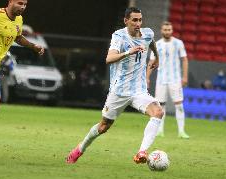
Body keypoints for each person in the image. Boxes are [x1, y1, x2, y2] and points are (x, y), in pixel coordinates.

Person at [66, 7, 163, 164]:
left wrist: (156, 57)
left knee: (158, 112)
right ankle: (79, 149)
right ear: (126, 21)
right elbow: (109, 58)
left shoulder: (148, 33)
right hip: (119, 91)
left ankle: (141, 152)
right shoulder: (119, 36)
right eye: (134, 20)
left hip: (139, 90)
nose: (138, 23)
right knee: (103, 126)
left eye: (140, 20)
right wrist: (128, 53)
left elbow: (151, 42)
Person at [0, 0, 44, 156]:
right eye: (19, 3)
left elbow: (17, 37)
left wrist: (32, 46)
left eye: (25, 4)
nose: (22, 7)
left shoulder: (18, 20)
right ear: (10, 2)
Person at [146, 21, 189, 138]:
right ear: (161, 31)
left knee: (179, 105)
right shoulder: (157, 44)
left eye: (169, 30)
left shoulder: (178, 43)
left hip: (175, 79)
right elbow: (151, 62)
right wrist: (147, 77)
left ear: (172, 30)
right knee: (161, 106)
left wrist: (185, 77)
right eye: (165, 30)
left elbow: (184, 59)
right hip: (161, 79)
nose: (167, 32)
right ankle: (160, 131)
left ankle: (181, 131)